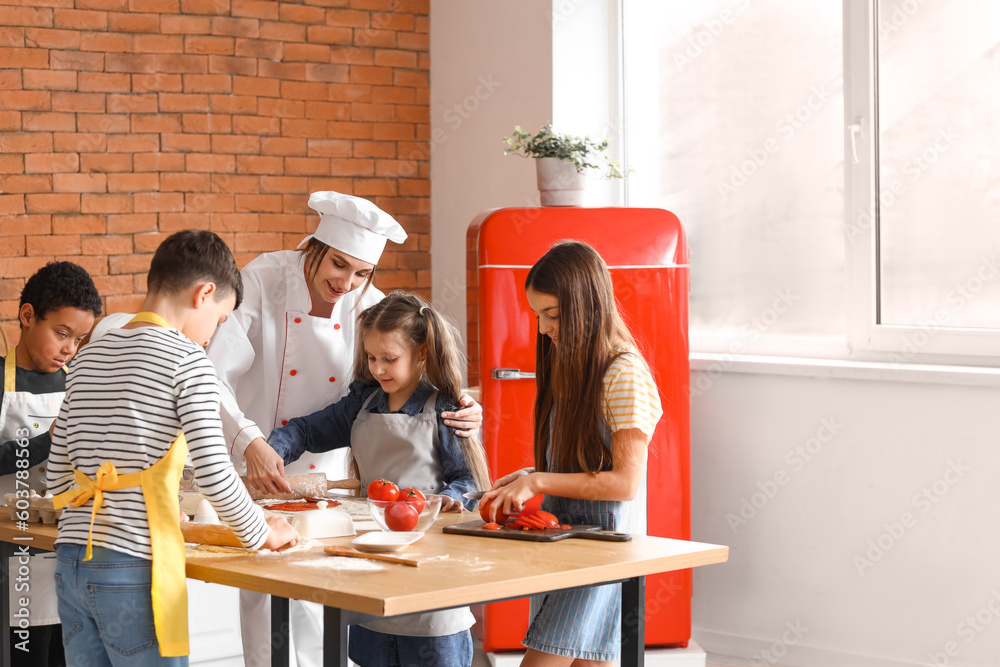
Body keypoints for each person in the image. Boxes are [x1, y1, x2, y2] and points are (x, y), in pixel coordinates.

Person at [199, 191, 485, 667]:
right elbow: (213, 372)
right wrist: (251, 441)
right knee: (265, 591)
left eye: (361, 273)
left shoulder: (371, 306)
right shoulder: (264, 279)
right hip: (261, 454)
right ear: (314, 247)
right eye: (338, 264)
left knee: (326, 590)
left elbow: (411, 377)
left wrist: (464, 405)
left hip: (336, 477)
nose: (347, 282)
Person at [47, 230, 299, 666]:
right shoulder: (188, 361)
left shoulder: (87, 356)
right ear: (204, 293)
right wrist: (262, 532)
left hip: (71, 564)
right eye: (220, 321)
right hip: (133, 571)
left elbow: (57, 477)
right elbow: (215, 474)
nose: (212, 337)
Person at [268, 291, 491, 667]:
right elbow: (306, 431)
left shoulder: (446, 409)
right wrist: (274, 449)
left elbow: (465, 479)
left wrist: (451, 499)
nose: (378, 368)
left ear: (422, 353)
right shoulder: (361, 404)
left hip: (430, 569)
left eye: (390, 359)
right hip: (372, 566)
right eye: (371, 357)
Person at [480, 241, 663, 667]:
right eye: (538, 315)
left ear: (587, 305)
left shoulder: (623, 373)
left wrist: (539, 481)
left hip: (602, 553)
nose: (543, 328)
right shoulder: (573, 363)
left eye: (554, 315)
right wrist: (527, 474)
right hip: (568, 544)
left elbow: (624, 483)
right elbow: (582, 463)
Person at [1, 262, 101, 667]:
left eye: (79, 339)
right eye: (62, 334)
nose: (69, 349)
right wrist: (47, 442)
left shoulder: (78, 382)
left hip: (67, 553)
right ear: (27, 316)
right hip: (12, 553)